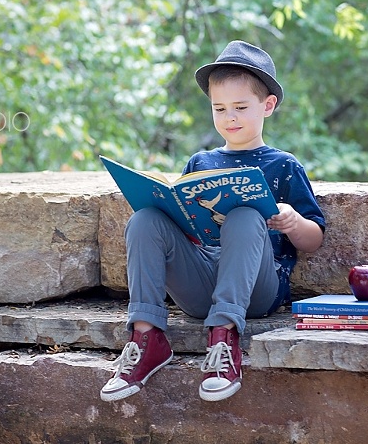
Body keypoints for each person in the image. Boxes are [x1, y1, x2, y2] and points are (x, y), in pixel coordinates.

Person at [100, 40, 326, 403]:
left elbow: (314, 239)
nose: (229, 117)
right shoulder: (201, 162)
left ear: (267, 106)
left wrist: (292, 220)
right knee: (144, 219)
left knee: (244, 215)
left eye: (240, 107)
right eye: (219, 108)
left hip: (255, 291)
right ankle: (147, 339)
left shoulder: (283, 165)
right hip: (200, 286)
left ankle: (223, 343)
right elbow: (186, 222)